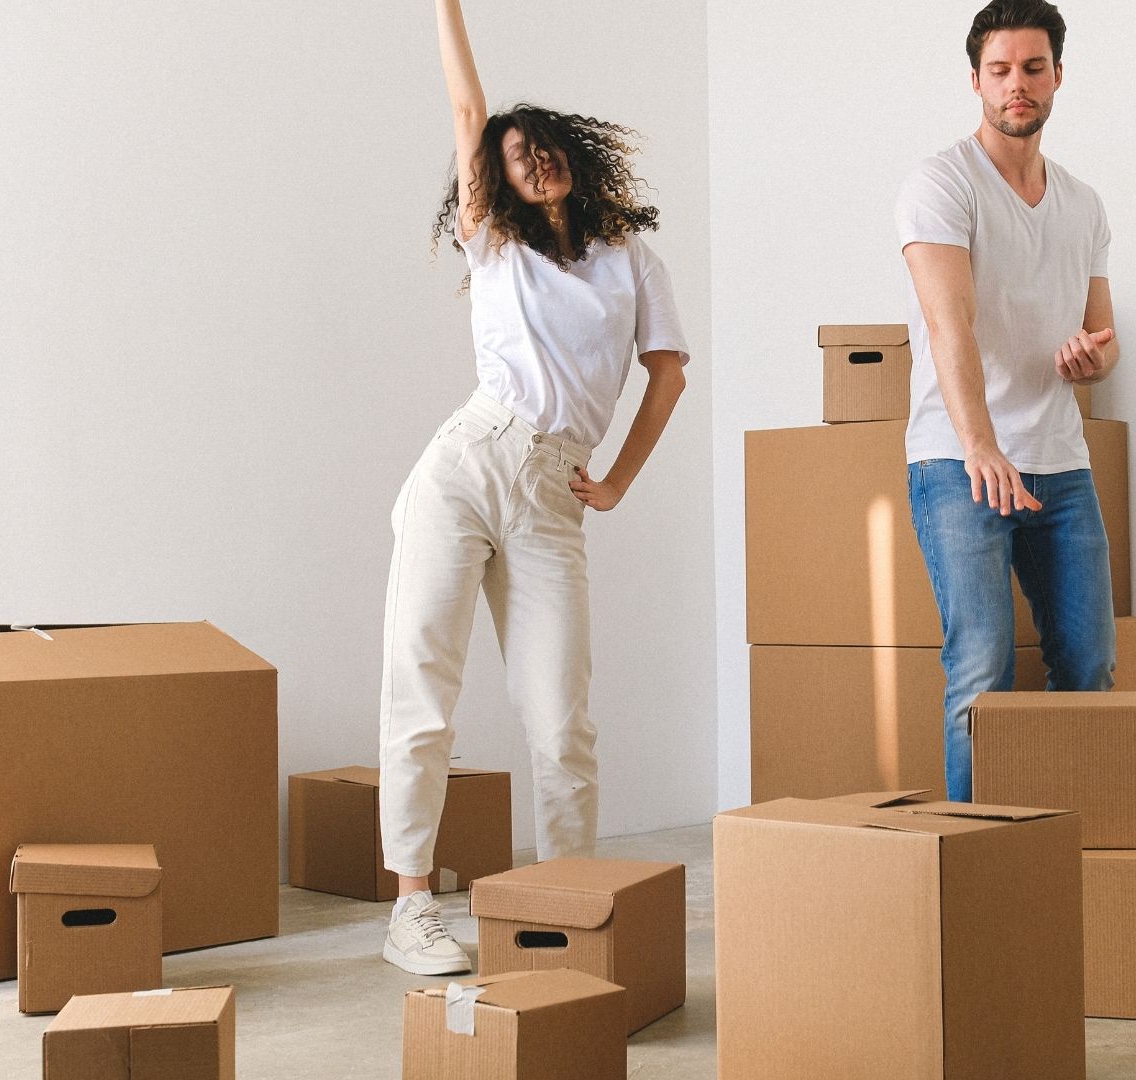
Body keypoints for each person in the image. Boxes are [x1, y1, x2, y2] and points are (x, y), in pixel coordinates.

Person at [376, 0, 689, 976]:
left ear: (570, 154)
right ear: (496, 181)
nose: (529, 159)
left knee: (560, 716)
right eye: (512, 156)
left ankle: (564, 907)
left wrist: (619, 482)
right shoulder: (494, 246)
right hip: (468, 464)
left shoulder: (630, 259)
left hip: (555, 491)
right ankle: (414, 909)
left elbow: (668, 373)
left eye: (541, 145)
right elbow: (467, 105)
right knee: (423, 688)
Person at [898, 0, 1119, 803]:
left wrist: (1091, 361)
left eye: (1032, 68)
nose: (1016, 85)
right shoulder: (940, 184)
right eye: (1000, 71)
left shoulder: (1083, 204)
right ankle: (974, 872)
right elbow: (949, 326)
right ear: (975, 81)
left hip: (1059, 462)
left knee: (1089, 667)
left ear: (1057, 76)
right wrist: (981, 445)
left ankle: (1073, 850)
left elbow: (1105, 335)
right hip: (960, 463)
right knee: (981, 671)